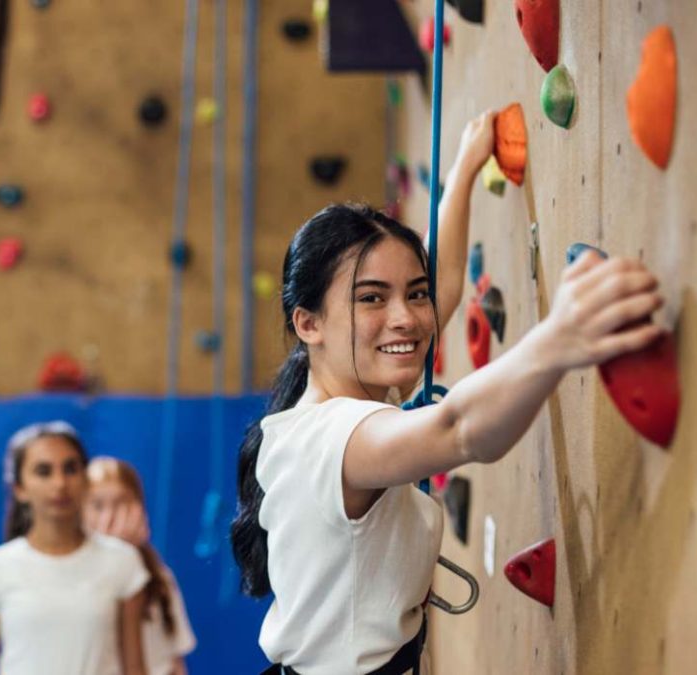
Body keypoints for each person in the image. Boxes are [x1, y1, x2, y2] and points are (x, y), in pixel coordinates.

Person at [230, 114, 666, 674]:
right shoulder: (328, 438)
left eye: (412, 294)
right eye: (370, 299)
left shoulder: (339, 406)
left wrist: (462, 170)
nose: (405, 318)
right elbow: (457, 430)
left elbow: (444, 290)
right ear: (308, 323)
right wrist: (561, 337)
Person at [0, 422, 150, 675]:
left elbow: (135, 668)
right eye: (43, 471)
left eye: (70, 469)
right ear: (19, 488)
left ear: (85, 478)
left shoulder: (122, 562)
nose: (60, 483)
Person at [86, 456, 197, 675]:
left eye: (120, 503)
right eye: (98, 505)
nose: (110, 516)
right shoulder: (77, 579)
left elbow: (175, 659)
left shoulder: (159, 576)